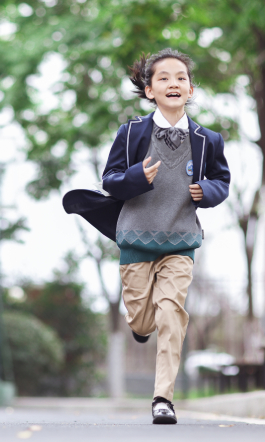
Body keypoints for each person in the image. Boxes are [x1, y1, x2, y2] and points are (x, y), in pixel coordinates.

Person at [63, 48, 230, 424]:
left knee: (171, 313)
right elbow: (111, 180)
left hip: (181, 241)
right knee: (142, 321)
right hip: (136, 239)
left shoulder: (208, 141)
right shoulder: (132, 132)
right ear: (149, 89)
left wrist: (209, 191)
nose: (174, 83)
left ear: (191, 89)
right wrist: (137, 177)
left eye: (181, 78)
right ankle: (140, 325)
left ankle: (163, 399)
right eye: (164, 78)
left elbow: (222, 180)